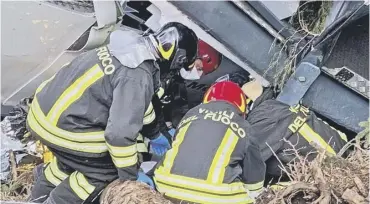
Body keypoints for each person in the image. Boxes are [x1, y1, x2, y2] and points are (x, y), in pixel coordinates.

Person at [27, 22, 198, 204]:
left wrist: (155, 133)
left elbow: (140, 104)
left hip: (43, 115)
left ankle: (35, 198)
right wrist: (129, 177)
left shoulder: (129, 49)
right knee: (106, 171)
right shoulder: (137, 75)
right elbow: (118, 136)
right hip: (64, 129)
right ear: (177, 59)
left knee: (71, 162)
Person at [152, 81, 266, 204]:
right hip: (214, 196)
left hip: (166, 185)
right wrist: (256, 197)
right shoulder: (244, 127)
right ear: (241, 106)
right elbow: (254, 174)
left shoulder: (191, 114)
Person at [241, 81, 348, 178]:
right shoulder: (278, 106)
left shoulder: (262, 118)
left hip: (328, 171)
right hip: (343, 150)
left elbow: (247, 161)